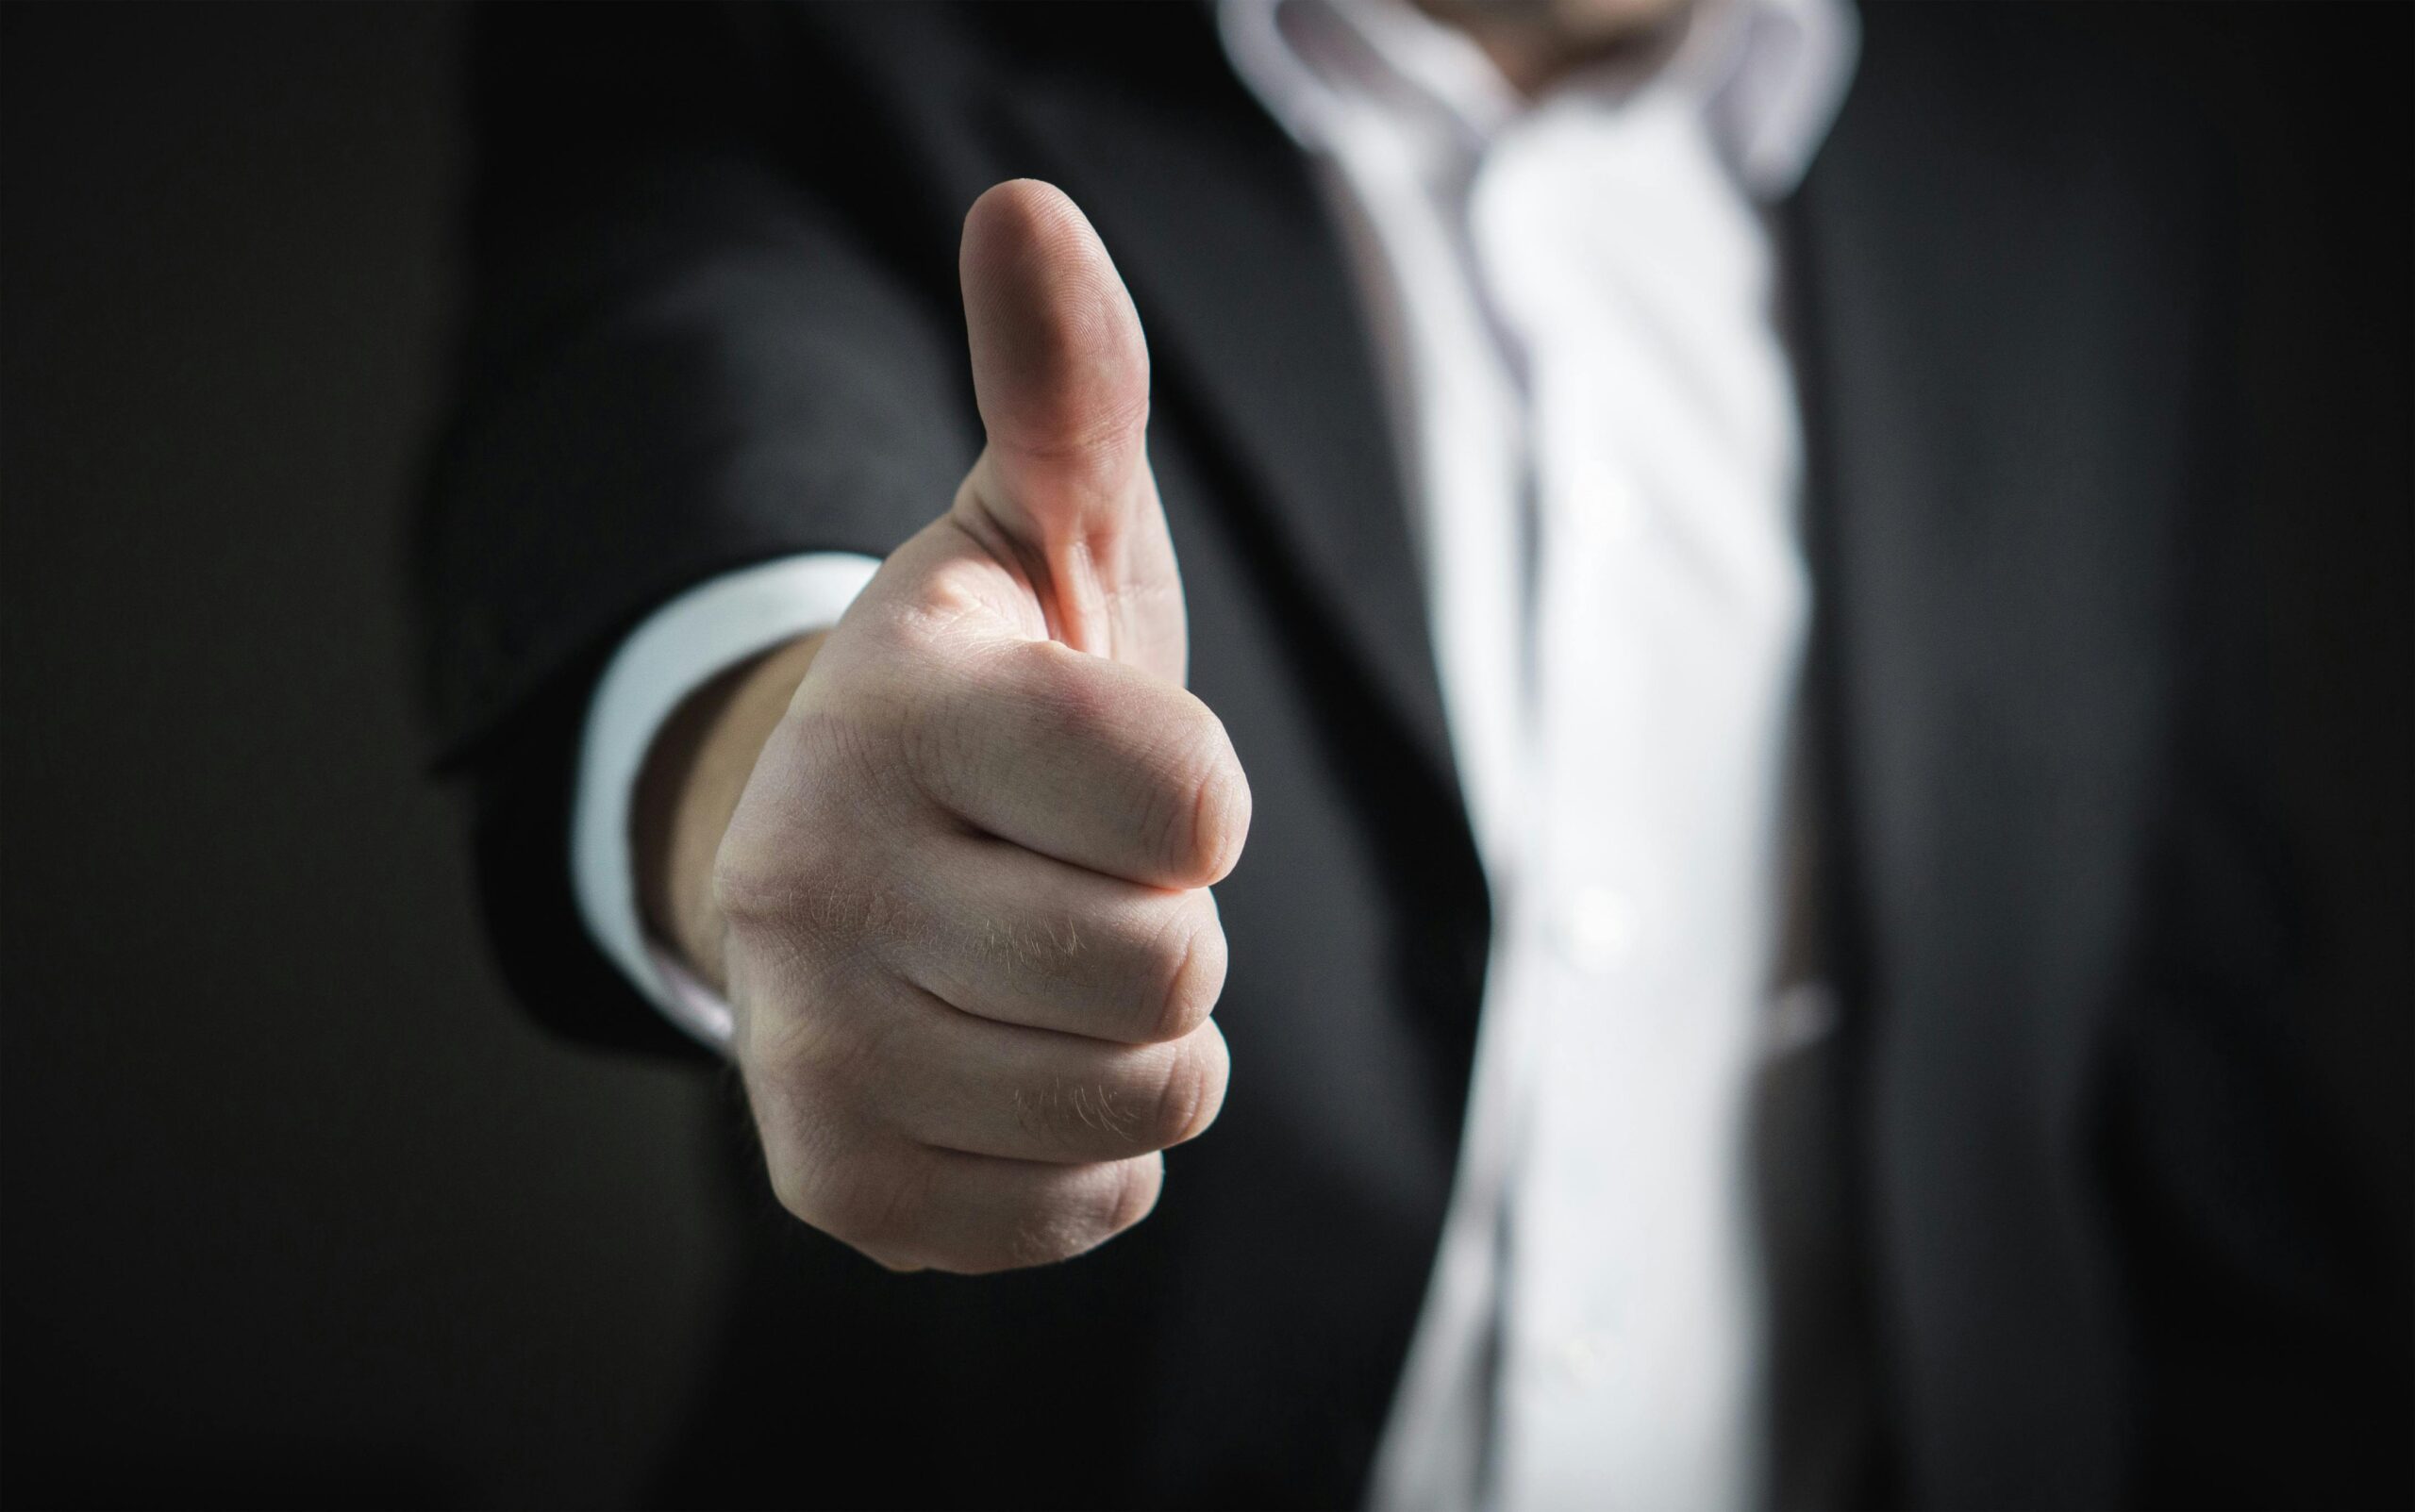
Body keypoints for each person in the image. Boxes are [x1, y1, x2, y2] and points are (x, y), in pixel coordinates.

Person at [415, 2, 2408, 1507]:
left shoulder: (2085, 158)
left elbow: (2193, 1104)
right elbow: (687, 441)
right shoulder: (828, 48)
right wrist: (792, 796)